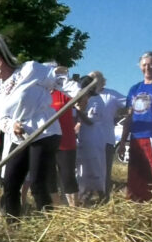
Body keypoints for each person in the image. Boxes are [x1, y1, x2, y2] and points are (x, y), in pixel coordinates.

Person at [0, 35, 67, 219]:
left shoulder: (29, 69)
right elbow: (1, 119)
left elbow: (58, 79)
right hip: (19, 137)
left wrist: (80, 89)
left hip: (43, 130)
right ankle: (13, 228)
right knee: (10, 183)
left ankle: (48, 228)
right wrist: (12, 125)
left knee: (37, 183)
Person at [117, 52, 152, 202]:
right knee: (137, 175)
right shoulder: (134, 89)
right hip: (136, 137)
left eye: (151, 64)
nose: (147, 67)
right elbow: (129, 116)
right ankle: (138, 204)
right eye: (144, 65)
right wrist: (123, 141)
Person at [87, 71, 127, 200]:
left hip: (106, 140)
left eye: (94, 78)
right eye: (89, 78)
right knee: (87, 171)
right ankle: (86, 198)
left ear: (101, 80)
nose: (91, 80)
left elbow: (130, 104)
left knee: (104, 172)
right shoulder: (84, 95)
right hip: (87, 140)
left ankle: (104, 199)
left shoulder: (112, 95)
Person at [75, 76, 107, 205]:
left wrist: (77, 112)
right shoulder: (85, 99)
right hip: (84, 136)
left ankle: (101, 195)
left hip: (94, 137)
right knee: (83, 168)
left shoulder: (96, 100)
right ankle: (84, 194)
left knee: (95, 166)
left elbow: (90, 121)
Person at [48, 87, 79, 206]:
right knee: (49, 177)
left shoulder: (63, 93)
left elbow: (79, 103)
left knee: (68, 176)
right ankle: (56, 209)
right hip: (47, 142)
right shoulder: (39, 94)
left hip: (65, 141)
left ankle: (73, 210)